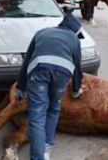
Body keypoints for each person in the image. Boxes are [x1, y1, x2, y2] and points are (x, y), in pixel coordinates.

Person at [16, 12, 86, 160]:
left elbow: (27, 60)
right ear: (74, 30)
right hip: (63, 73)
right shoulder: (74, 39)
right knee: (53, 108)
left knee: (37, 115)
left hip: (39, 70)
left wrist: (21, 88)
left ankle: (37, 157)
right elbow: (78, 68)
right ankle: (46, 150)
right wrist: (76, 90)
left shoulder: (41, 33)